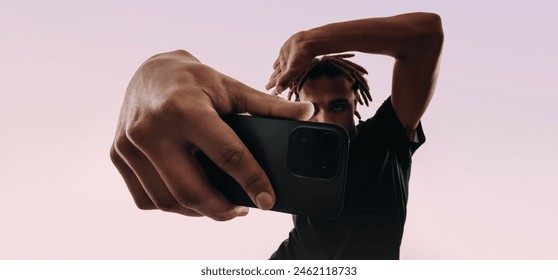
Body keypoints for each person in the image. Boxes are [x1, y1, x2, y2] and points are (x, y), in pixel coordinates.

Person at [110, 12, 444, 259]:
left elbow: (425, 36)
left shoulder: (386, 140)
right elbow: (193, 129)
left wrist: (312, 41)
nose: (326, 118)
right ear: (294, 109)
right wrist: (156, 73)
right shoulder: (283, 149)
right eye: (312, 107)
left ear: (357, 102)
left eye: (338, 105)